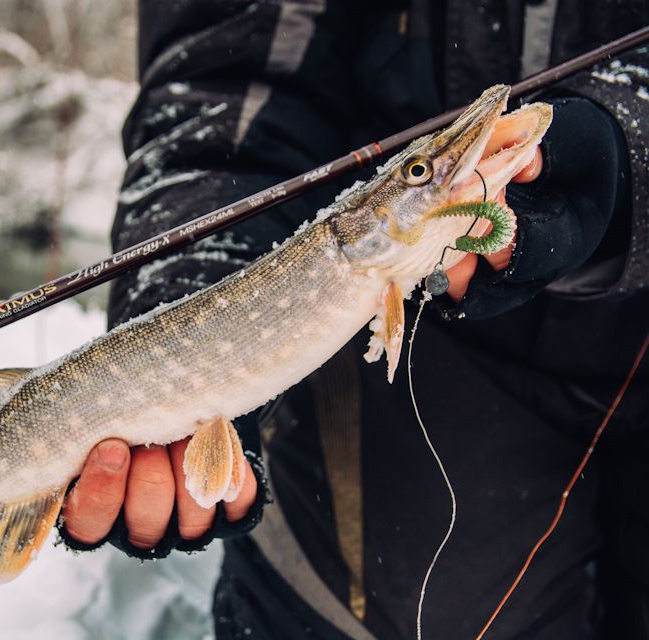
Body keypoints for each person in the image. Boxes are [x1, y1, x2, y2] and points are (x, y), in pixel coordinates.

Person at [58, 2, 649, 638]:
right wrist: (194, 297)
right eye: (423, 172)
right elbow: (230, 80)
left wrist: (624, 151)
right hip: (433, 350)